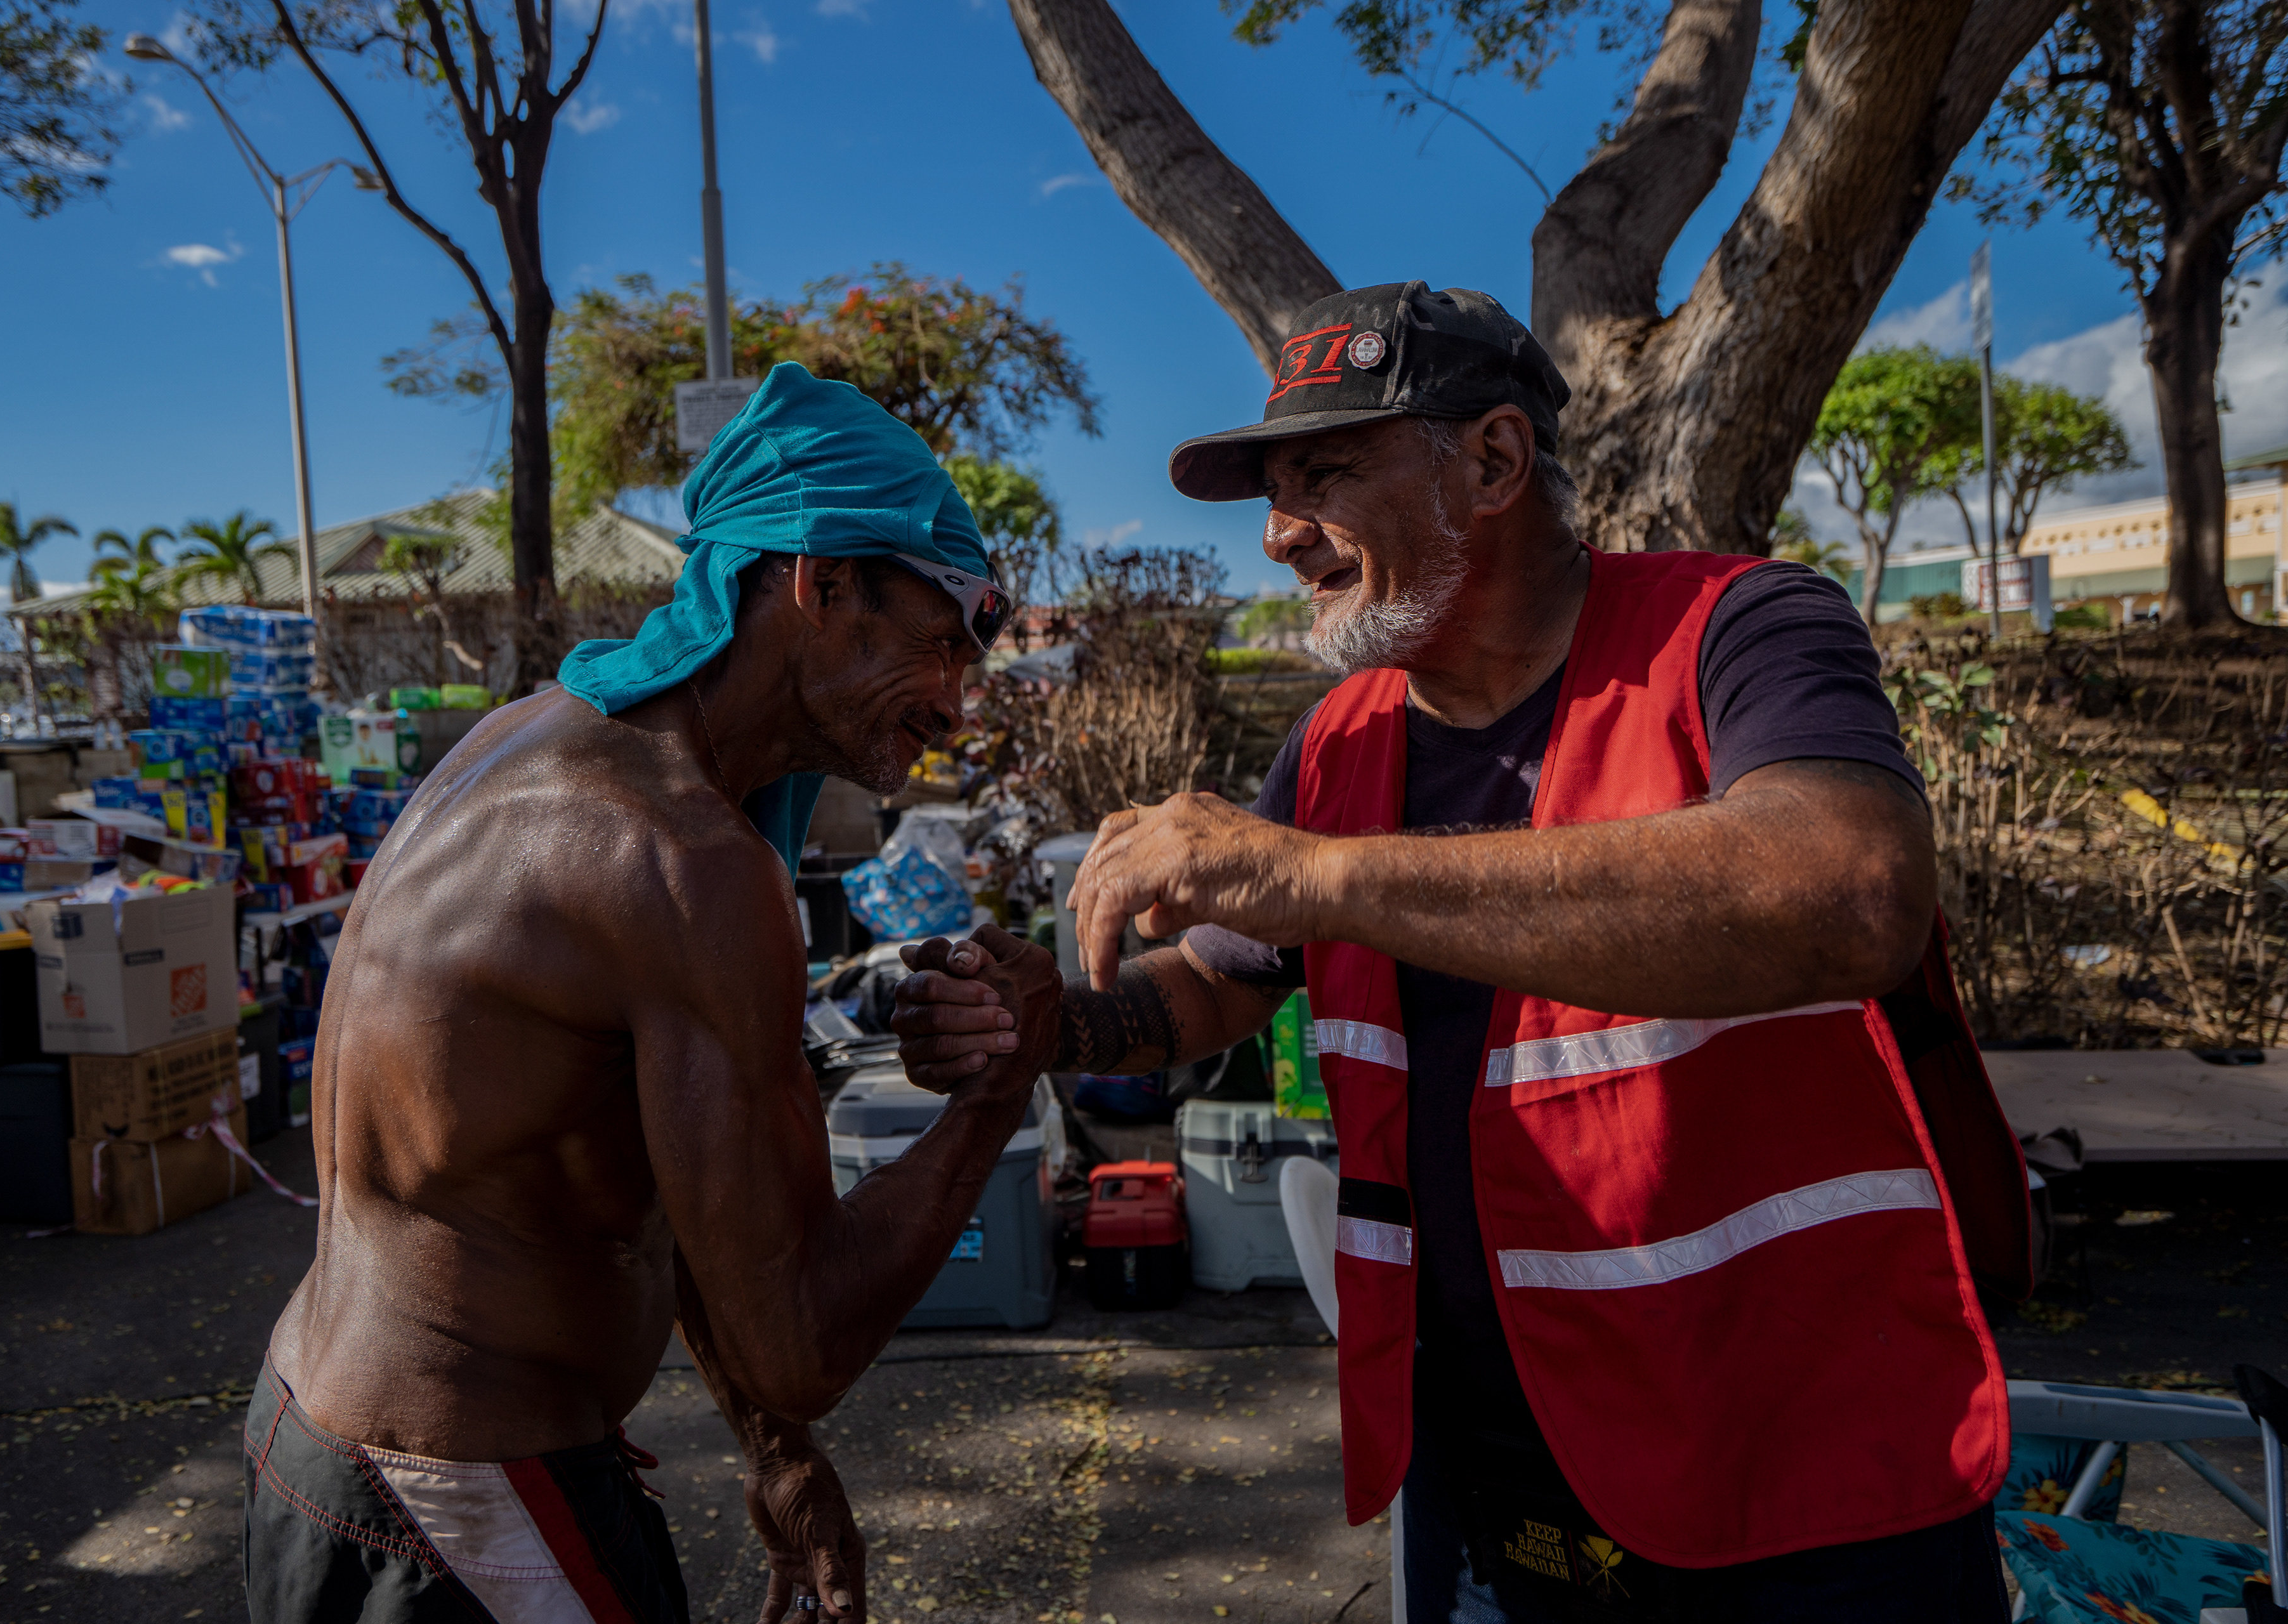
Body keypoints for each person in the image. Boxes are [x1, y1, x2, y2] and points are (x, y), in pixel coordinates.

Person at [895, 284, 2032, 1622]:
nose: (1276, 534)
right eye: (1271, 489)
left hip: (1794, 1482)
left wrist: (1321, 873)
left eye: (1322, 474)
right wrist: (1060, 1024)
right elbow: (1222, 973)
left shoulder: (1739, 628)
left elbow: (1849, 891)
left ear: (1492, 460)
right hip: (1481, 1479)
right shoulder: (1338, 742)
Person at [245, 363, 1060, 1624]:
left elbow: (666, 1174)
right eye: (947, 633)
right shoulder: (678, 859)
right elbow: (800, 1331)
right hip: (463, 1494)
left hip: (319, 1430)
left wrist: (771, 1444)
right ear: (819, 580)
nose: (958, 698)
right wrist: (1004, 1081)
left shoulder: (538, 739)